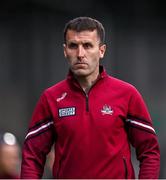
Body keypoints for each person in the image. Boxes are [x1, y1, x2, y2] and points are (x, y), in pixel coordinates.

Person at [20, 16, 160, 179]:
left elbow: (149, 151)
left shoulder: (127, 94)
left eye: (87, 45)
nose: (80, 54)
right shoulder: (51, 98)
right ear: (65, 51)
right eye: (73, 46)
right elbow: (32, 156)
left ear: (101, 51)